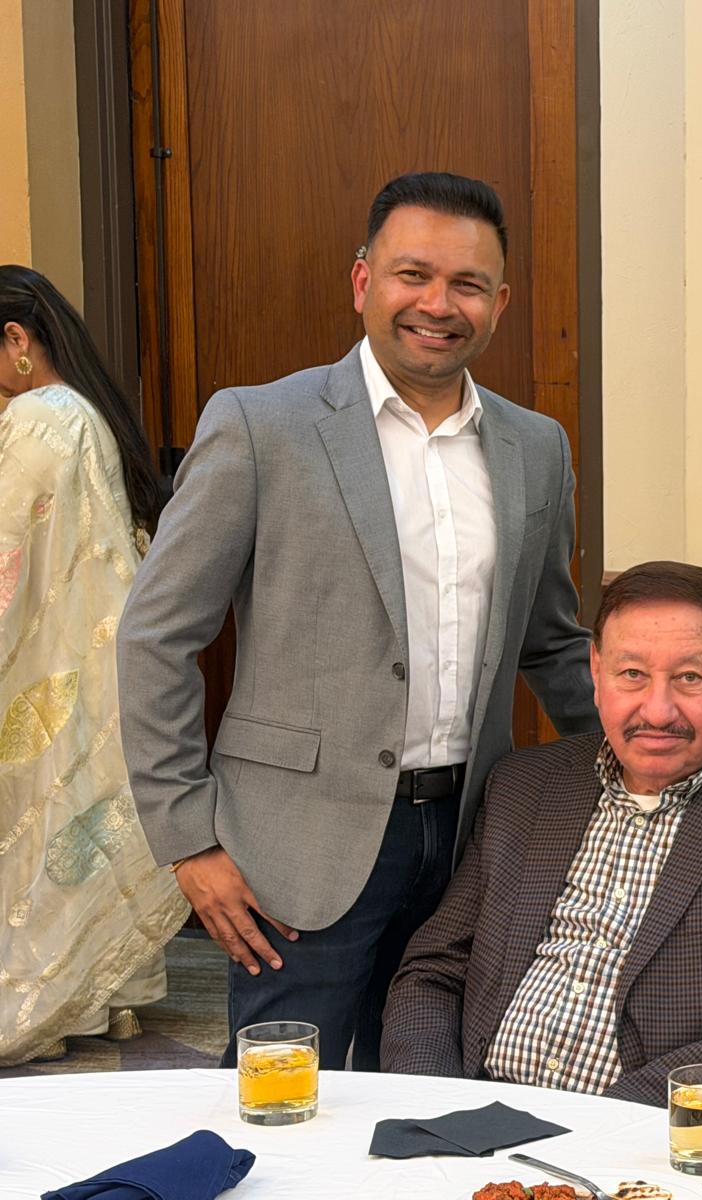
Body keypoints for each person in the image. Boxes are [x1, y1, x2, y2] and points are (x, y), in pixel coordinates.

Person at [117, 172, 596, 1070]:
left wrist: (654, 764)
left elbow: (552, 642)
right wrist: (188, 840)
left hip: (470, 843)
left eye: (467, 284)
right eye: (414, 274)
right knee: (278, 1110)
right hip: (295, 849)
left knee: (425, 1103)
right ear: (363, 281)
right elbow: (156, 635)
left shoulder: (536, 446)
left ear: (499, 303)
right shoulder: (261, 425)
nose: (438, 304)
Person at [381, 561, 702, 1105]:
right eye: (632, 674)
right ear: (596, 672)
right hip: (471, 1118)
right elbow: (434, 972)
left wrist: (604, 1128)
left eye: (689, 678)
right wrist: (438, 1105)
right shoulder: (524, 785)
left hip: (646, 1135)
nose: (657, 711)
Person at [0, 265, 188, 1067]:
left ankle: (47, 1002)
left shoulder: (36, 418)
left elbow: (6, 553)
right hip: (101, 660)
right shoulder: (91, 413)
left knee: (45, 812)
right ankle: (108, 998)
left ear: (15, 339)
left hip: (50, 659)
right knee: (83, 812)